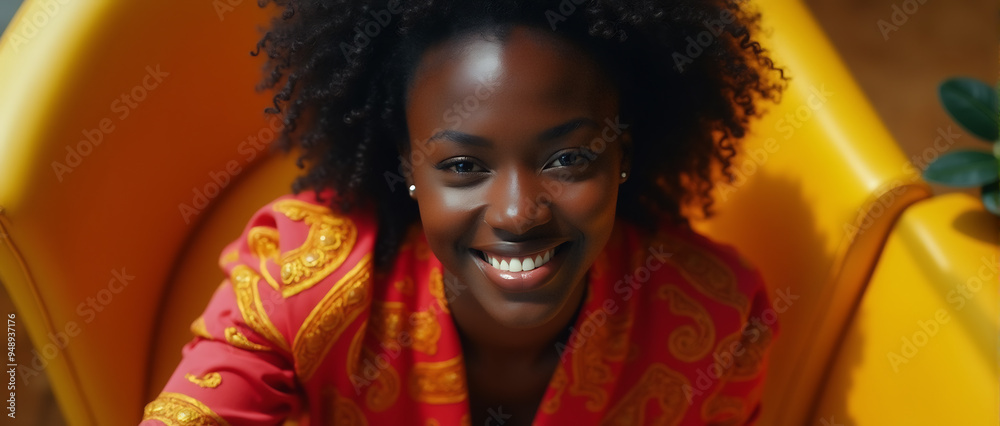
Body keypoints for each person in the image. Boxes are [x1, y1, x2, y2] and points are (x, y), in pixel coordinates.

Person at [141, 0, 785, 424]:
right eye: (462, 167)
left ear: (623, 153)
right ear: (409, 167)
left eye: (567, 159)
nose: (516, 212)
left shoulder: (719, 322)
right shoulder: (299, 278)